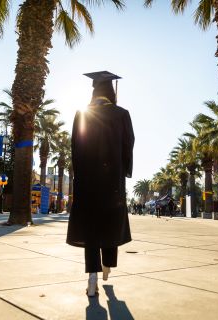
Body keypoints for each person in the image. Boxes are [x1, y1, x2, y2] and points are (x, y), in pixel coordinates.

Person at [67, 71, 134, 297]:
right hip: (112, 180)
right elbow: (128, 144)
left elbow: (75, 147)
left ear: (94, 91)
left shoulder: (82, 114)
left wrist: (79, 175)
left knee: (90, 226)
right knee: (109, 221)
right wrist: (124, 170)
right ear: (111, 92)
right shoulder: (122, 114)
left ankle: (92, 277)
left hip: (87, 181)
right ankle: (107, 266)